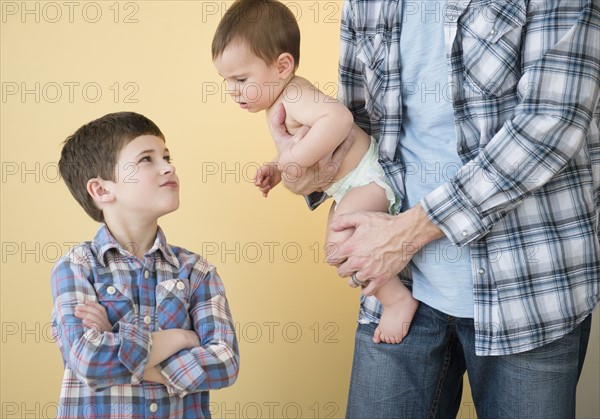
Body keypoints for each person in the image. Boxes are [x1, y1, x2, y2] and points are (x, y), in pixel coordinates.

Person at [271, 1, 600, 417]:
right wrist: (312, 174)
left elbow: (550, 124)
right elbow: (358, 124)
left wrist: (406, 233)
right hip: (400, 282)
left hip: (528, 291)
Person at [211, 0, 418, 344]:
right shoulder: (279, 100)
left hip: (368, 178)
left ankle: (398, 301)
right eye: (225, 81)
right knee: (336, 251)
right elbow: (299, 145)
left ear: (282, 65)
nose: (232, 90)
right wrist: (278, 167)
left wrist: (294, 160)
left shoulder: (294, 93)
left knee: (343, 242)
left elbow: (338, 119)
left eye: (240, 78)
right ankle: (397, 282)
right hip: (348, 186)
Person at [51, 112, 239, 418]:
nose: (169, 166)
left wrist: (114, 337)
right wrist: (181, 338)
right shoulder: (76, 267)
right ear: (101, 190)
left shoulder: (196, 270)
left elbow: (225, 363)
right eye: (146, 159)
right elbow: (88, 360)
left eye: (166, 155)